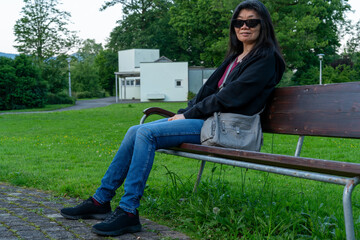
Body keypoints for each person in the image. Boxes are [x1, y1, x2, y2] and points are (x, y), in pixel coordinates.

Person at [60, 0, 285, 237]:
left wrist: (187, 115)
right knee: (133, 131)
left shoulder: (266, 58)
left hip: (228, 128)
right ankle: (100, 200)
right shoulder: (234, 58)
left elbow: (230, 97)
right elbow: (207, 92)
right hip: (209, 122)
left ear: (263, 25)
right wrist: (184, 112)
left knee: (146, 133)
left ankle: (128, 211)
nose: (244, 26)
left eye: (251, 21)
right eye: (239, 22)